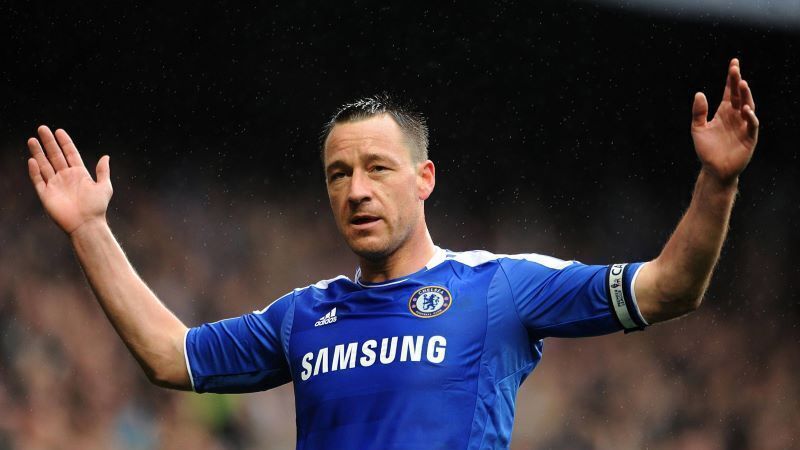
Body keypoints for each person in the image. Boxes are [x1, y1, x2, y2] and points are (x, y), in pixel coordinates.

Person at [26, 58, 758, 449]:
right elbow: (170, 357)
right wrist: (89, 228)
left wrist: (718, 183)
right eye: (338, 174)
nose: (356, 190)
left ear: (424, 178)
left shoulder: (500, 287)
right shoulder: (302, 316)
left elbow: (670, 288)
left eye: (377, 168)